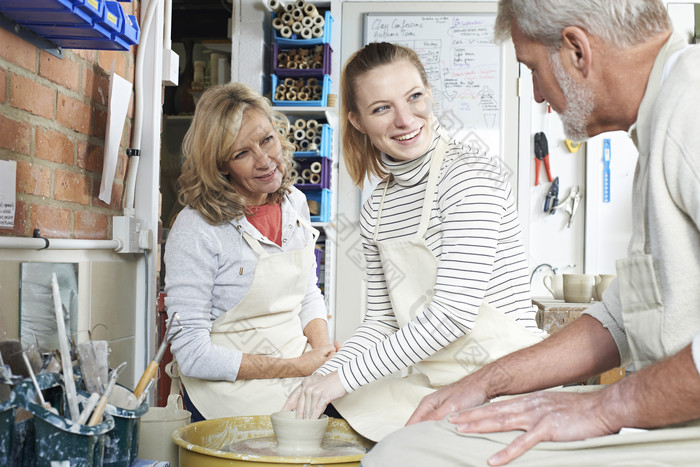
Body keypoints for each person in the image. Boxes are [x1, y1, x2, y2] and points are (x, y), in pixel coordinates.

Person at [361, 1, 700, 465]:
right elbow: (621, 318)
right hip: (667, 413)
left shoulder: (692, 109)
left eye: (533, 70)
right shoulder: (660, 121)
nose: (538, 95)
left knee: (404, 457)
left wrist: (607, 405)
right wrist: (485, 382)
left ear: (577, 51)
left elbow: (452, 314)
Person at [282, 42, 545, 442]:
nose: (405, 119)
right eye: (382, 108)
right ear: (357, 121)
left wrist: (339, 380)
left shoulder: (469, 176)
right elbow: (381, 323)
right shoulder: (377, 207)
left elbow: (452, 315)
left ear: (430, 94)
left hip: (509, 380)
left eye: (414, 97)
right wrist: (314, 383)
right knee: (335, 417)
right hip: (438, 384)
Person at [163, 82, 337, 421]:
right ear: (220, 165)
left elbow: (306, 294)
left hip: (298, 371)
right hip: (228, 392)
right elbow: (193, 355)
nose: (264, 161)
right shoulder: (196, 228)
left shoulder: (295, 203)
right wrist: (296, 366)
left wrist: (322, 354)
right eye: (242, 153)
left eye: (267, 140)